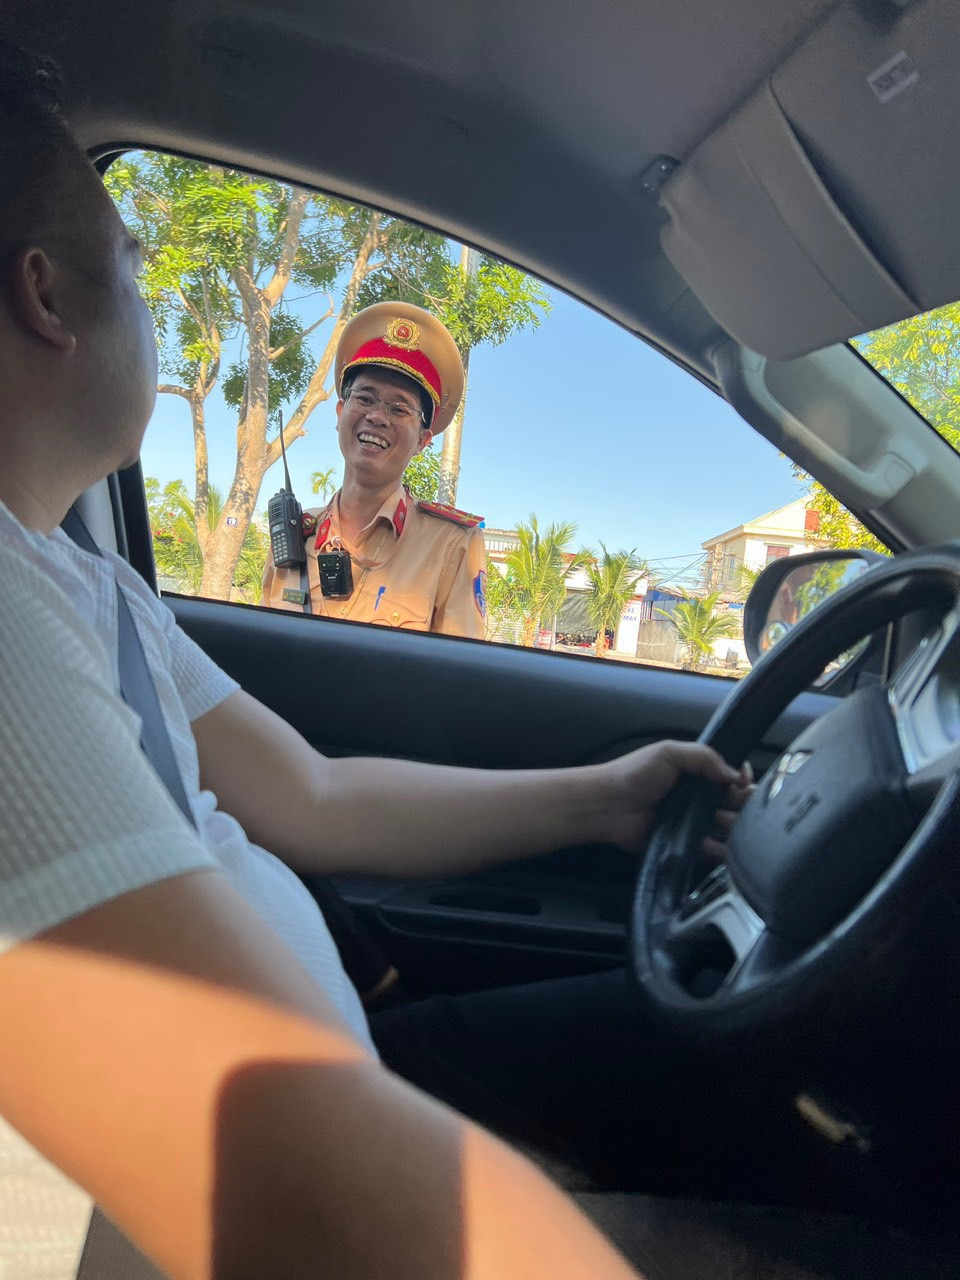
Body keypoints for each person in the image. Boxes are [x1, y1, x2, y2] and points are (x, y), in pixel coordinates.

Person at [0, 42, 757, 1280]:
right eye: (133, 262)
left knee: (703, 1049)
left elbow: (315, 793)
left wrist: (604, 798)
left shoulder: (100, 588)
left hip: (346, 1062)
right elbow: (293, 1182)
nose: (371, 414)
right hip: (262, 1184)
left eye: (401, 405)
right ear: (46, 296)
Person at [261, 301, 488, 639]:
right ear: (340, 412)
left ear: (423, 440)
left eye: (399, 409)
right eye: (365, 399)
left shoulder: (452, 544)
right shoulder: (294, 535)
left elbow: (458, 668)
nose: (377, 417)